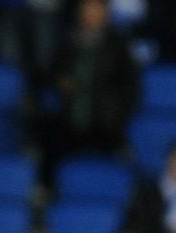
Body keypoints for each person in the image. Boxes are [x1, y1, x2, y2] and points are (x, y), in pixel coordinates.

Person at [49, 0, 141, 161]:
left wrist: (116, 115)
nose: (91, 13)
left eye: (96, 9)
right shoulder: (68, 42)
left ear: (106, 13)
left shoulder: (119, 45)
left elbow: (131, 86)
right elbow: (53, 71)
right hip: (71, 121)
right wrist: (60, 81)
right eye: (87, 8)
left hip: (106, 126)